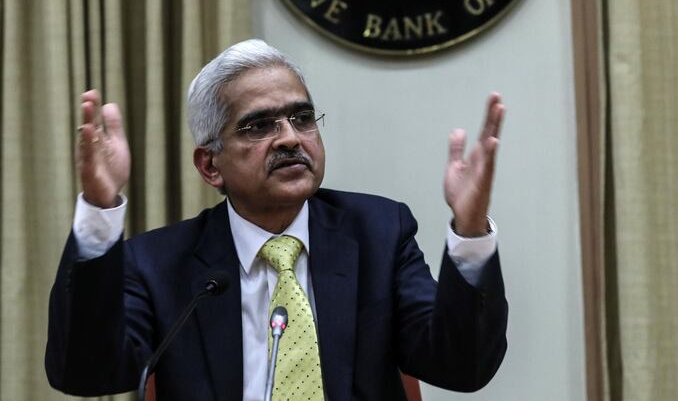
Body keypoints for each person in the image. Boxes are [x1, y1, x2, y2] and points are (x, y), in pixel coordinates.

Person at [45, 39, 508, 400]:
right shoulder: (157, 264)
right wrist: (101, 210)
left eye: (302, 118)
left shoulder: (379, 234)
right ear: (210, 166)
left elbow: (460, 366)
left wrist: (469, 231)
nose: (290, 138)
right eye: (259, 126)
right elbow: (85, 372)